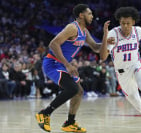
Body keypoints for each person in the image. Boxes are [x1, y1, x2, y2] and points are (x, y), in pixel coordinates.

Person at [35, 4, 113, 132]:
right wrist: (67, 64)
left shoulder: (85, 31)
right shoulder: (72, 28)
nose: (92, 16)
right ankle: (45, 113)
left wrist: (105, 38)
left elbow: (95, 48)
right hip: (53, 63)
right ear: (81, 15)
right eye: (89, 14)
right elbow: (53, 44)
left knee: (79, 92)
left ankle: (69, 123)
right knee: (72, 88)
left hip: (63, 64)